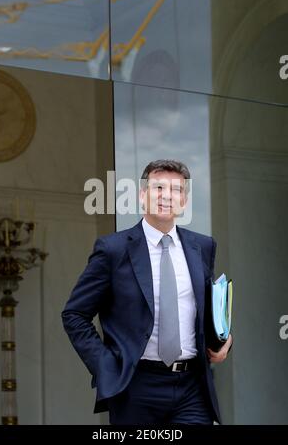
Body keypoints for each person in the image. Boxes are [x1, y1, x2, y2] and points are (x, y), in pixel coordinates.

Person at [62, 159, 232, 425]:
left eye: (176, 190)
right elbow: (74, 314)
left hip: (192, 387)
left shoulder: (202, 246)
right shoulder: (113, 250)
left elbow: (206, 309)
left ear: (184, 201)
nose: (167, 196)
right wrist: (106, 365)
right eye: (158, 187)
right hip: (136, 387)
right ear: (142, 195)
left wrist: (222, 342)